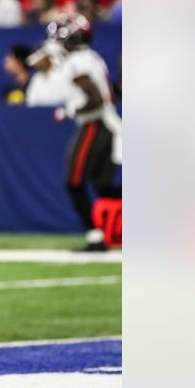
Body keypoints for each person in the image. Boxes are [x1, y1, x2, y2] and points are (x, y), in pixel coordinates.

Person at [49, 16, 122, 251]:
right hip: (106, 123)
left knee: (74, 182)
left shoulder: (77, 61)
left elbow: (95, 99)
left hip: (95, 124)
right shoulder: (91, 58)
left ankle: (95, 237)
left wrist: (69, 110)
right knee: (103, 185)